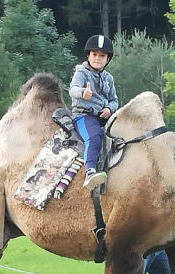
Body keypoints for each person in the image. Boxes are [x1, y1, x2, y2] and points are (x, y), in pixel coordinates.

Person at [69, 35, 119, 191]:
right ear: (88, 55)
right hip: (84, 115)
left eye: (102, 55)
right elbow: (73, 90)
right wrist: (83, 92)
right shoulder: (81, 73)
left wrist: (109, 109)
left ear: (108, 59)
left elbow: (114, 100)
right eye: (95, 54)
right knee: (94, 136)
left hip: (103, 117)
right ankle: (90, 172)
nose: (98, 58)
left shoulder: (108, 78)